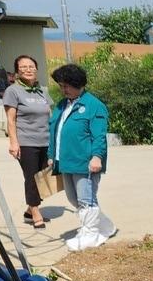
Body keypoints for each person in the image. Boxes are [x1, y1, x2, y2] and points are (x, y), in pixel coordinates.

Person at [48, 64, 117, 251]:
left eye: (67, 86)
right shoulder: (62, 105)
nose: (63, 90)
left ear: (78, 84)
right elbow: (55, 130)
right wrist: (52, 155)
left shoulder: (94, 106)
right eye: (61, 86)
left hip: (85, 162)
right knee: (73, 198)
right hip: (66, 161)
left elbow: (99, 136)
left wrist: (97, 157)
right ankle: (105, 226)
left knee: (86, 200)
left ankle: (90, 234)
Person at [3, 55, 52, 229]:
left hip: (45, 140)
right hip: (26, 142)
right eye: (23, 67)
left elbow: (50, 115)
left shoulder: (42, 90)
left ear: (36, 69)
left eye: (31, 66)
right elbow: (11, 120)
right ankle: (36, 212)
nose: (28, 70)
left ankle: (29, 209)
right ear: (17, 71)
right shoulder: (13, 91)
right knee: (31, 178)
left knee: (44, 177)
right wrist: (13, 143)